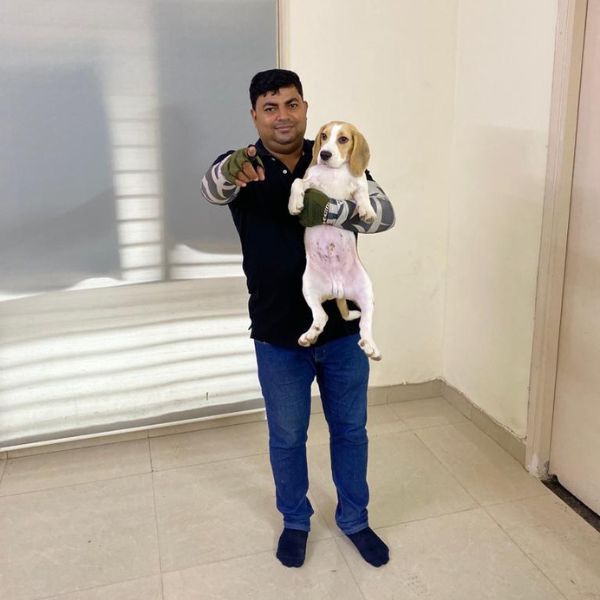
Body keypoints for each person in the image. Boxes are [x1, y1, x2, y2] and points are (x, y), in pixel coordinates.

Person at [201, 69, 395, 568]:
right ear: (255, 115)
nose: (282, 116)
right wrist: (231, 167)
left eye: (291, 104)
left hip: (343, 330)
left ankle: (355, 519)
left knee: (351, 431)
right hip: (276, 331)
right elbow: (212, 187)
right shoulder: (245, 165)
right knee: (287, 438)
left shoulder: (333, 151)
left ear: (305, 108)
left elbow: (384, 213)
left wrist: (334, 211)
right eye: (270, 108)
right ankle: (295, 520)